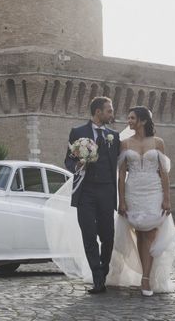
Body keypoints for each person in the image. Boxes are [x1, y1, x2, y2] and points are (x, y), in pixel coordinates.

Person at [108, 106, 175, 295]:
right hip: (133, 192)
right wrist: (121, 201)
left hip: (154, 191)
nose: (129, 121)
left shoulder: (158, 143)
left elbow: (164, 173)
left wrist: (167, 199)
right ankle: (144, 277)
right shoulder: (125, 144)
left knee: (151, 233)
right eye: (128, 118)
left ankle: (146, 278)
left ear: (143, 121)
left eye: (132, 118)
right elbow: (121, 175)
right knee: (140, 233)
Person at [64, 96, 120, 294]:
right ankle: (97, 279)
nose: (112, 114)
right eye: (109, 111)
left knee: (108, 236)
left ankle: (103, 270)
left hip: (106, 190)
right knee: (88, 236)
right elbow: (68, 161)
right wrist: (77, 164)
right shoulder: (77, 132)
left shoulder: (114, 136)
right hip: (85, 191)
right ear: (98, 112)